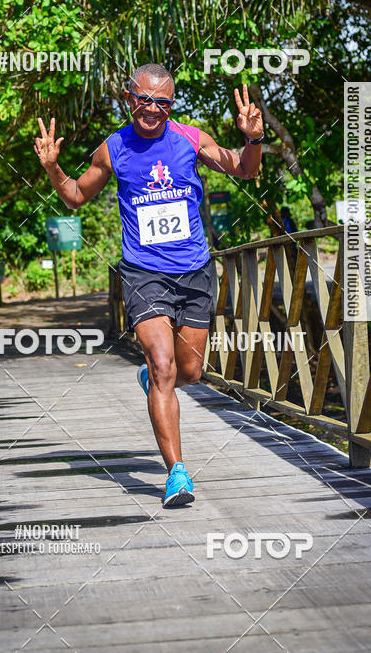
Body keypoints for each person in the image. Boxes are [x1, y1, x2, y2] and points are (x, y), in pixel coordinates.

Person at [34, 64, 263, 507]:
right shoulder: (113, 148)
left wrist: (252, 139)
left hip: (194, 269)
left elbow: (245, 170)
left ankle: (154, 380)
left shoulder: (191, 139)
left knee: (189, 372)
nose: (152, 109)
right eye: (144, 99)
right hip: (143, 273)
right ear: (128, 98)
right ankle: (177, 473)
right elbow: (77, 196)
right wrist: (53, 167)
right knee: (163, 366)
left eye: (162, 102)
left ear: (171, 106)